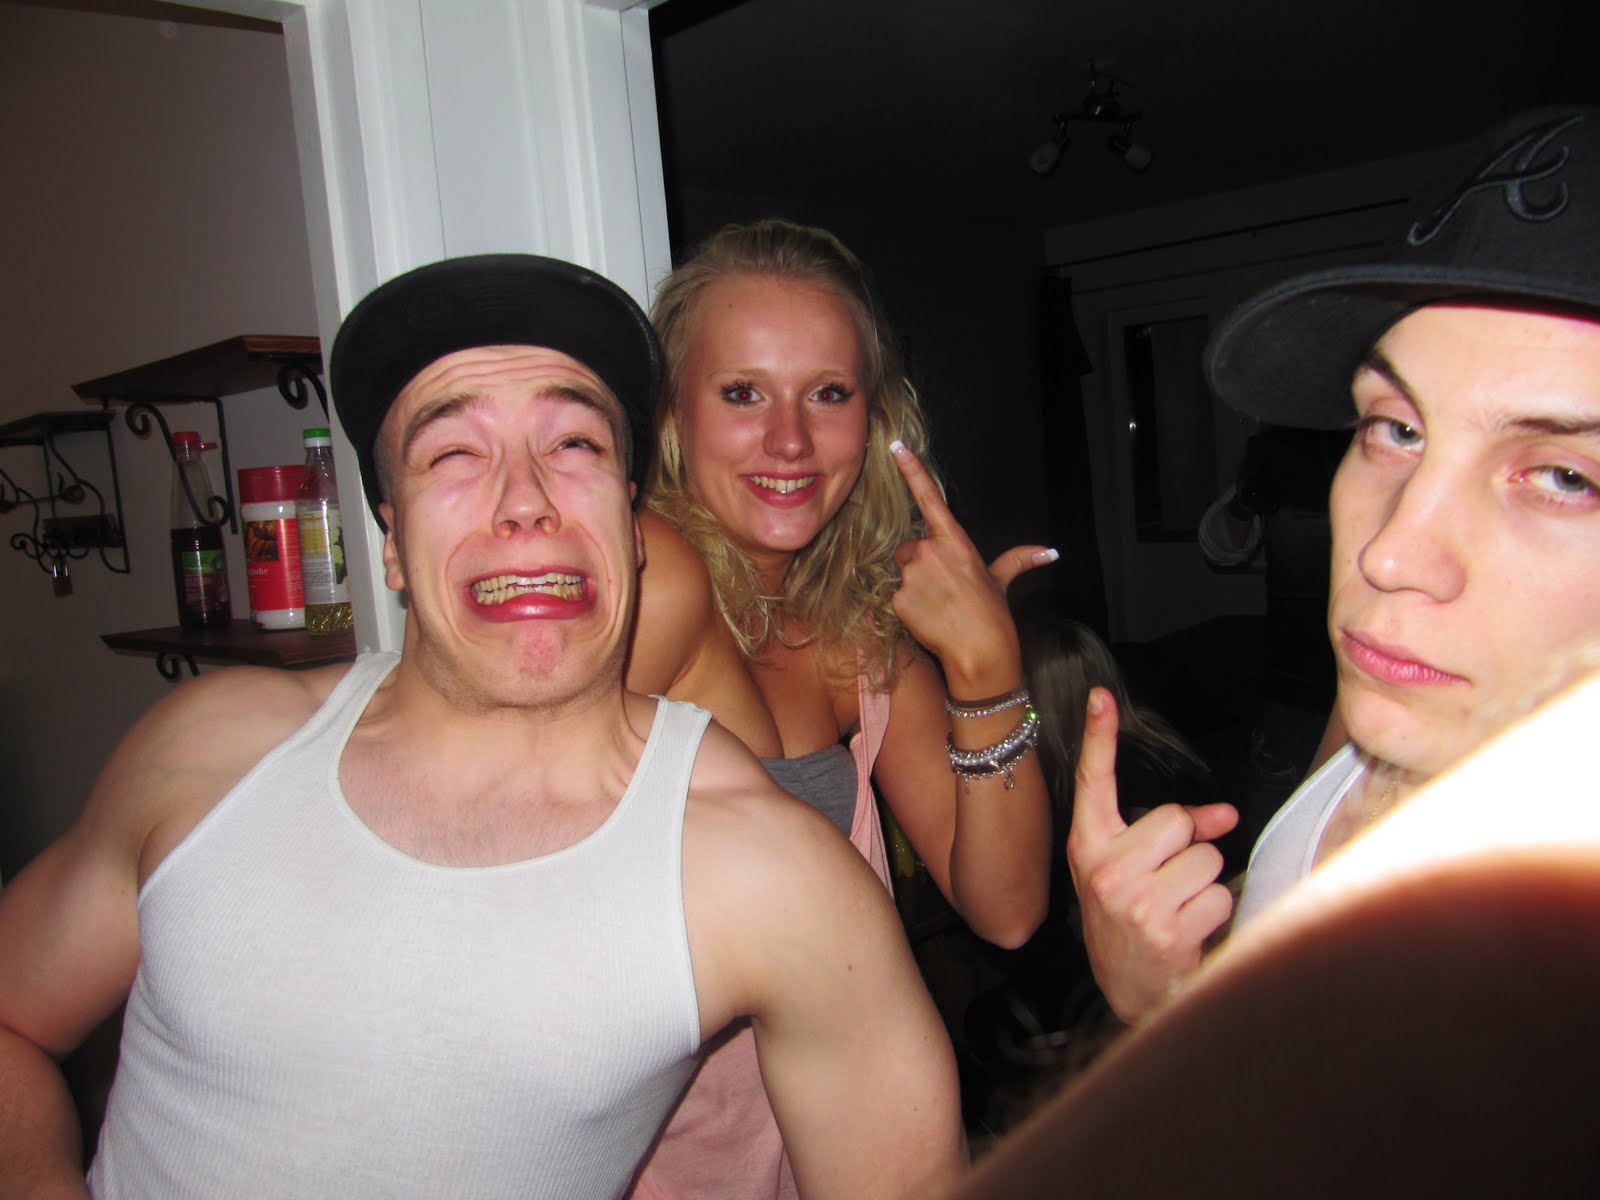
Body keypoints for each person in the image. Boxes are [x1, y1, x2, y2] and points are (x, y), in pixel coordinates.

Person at [0, 254, 965, 1198]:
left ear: (634, 530)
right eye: (455, 453)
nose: (525, 500)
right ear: (390, 544)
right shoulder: (213, 751)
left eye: (575, 446)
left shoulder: (774, 877)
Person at [1068, 104, 1600, 1025]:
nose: (1387, 553)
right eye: (1396, 428)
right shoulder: (1386, 714)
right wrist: (1177, 978)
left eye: (1564, 476)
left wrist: (1153, 1018)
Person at [623, 219, 1055, 1198]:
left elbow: (1007, 909)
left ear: (874, 419)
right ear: (674, 415)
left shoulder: (859, 637)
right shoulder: (655, 578)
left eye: (828, 393)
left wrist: (986, 666)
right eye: (742, 393)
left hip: (814, 1154)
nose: (789, 440)